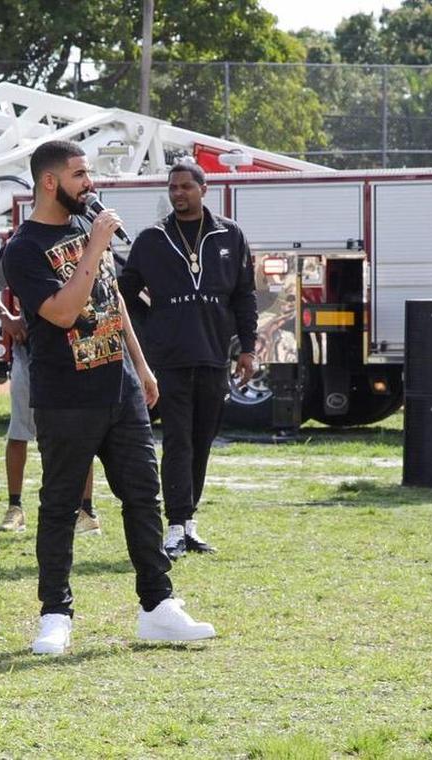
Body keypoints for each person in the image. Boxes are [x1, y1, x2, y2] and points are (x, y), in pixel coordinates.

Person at [2, 139, 216, 653]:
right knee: (60, 505)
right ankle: (55, 615)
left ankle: (158, 606)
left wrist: (140, 366)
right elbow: (62, 312)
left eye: (89, 173)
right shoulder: (23, 248)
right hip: (66, 395)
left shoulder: (86, 226)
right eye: (79, 175)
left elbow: (112, 298)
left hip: (120, 387)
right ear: (49, 181)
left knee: (143, 496)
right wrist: (94, 246)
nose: (89, 183)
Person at [118, 161, 257, 559]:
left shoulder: (229, 234)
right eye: (172, 188)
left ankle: (189, 521)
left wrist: (247, 348)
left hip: (213, 354)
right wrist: (151, 327)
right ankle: (176, 525)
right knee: (178, 440)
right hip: (170, 358)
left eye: (185, 187)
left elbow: (244, 295)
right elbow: (125, 292)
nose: (178, 193)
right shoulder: (152, 238)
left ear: (203, 188)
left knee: (201, 440)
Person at [0, 250, 102, 535]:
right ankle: (15, 507)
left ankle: (86, 510)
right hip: (32, 353)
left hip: (79, 351)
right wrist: (7, 317)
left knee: (81, 434)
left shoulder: (84, 238)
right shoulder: (23, 245)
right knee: (20, 431)